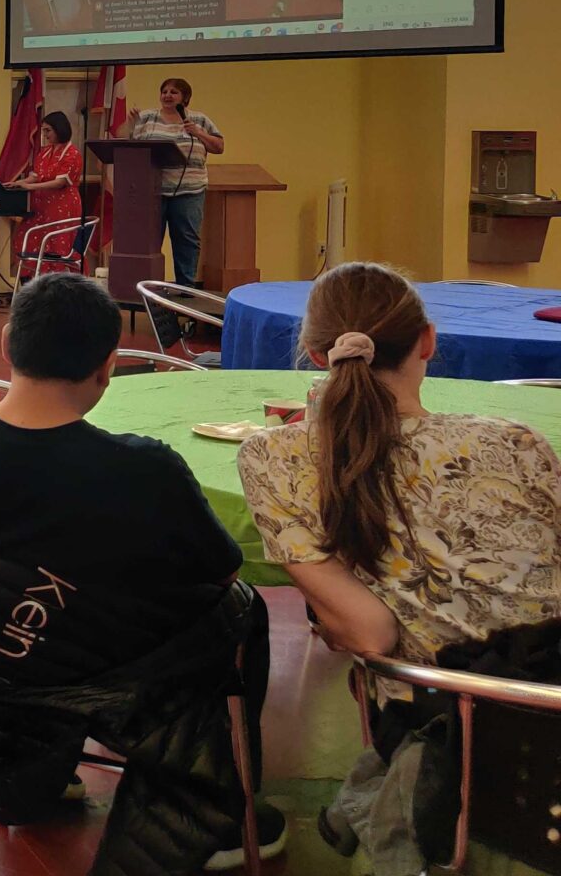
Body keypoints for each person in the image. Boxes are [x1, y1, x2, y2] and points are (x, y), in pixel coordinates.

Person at [0, 272, 283, 871]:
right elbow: (220, 576)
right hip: (106, 686)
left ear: (7, 347)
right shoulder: (148, 471)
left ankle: (54, 762)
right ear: (108, 367)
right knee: (242, 610)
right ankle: (225, 805)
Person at [238, 262, 561, 864]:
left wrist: (333, 622)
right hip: (543, 715)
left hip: (448, 725)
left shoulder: (273, 459)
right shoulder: (517, 442)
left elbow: (370, 632)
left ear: (313, 355)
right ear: (429, 342)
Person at [126, 76, 224, 347]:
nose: (168, 95)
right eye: (165, 91)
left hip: (190, 190)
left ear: (185, 98)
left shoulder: (200, 120)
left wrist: (198, 133)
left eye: (174, 92)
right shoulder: (146, 118)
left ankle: (186, 293)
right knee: (149, 244)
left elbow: (219, 146)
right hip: (153, 190)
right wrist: (130, 123)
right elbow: (126, 143)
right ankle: (149, 291)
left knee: (187, 241)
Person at [8, 111, 83, 276]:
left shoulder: (73, 154)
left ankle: (59, 287)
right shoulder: (45, 152)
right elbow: (35, 176)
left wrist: (31, 188)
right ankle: (32, 285)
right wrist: (18, 184)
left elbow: (60, 183)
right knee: (29, 242)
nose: (45, 134)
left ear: (59, 129)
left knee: (58, 247)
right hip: (40, 207)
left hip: (62, 207)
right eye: (43, 130)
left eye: (48, 130)